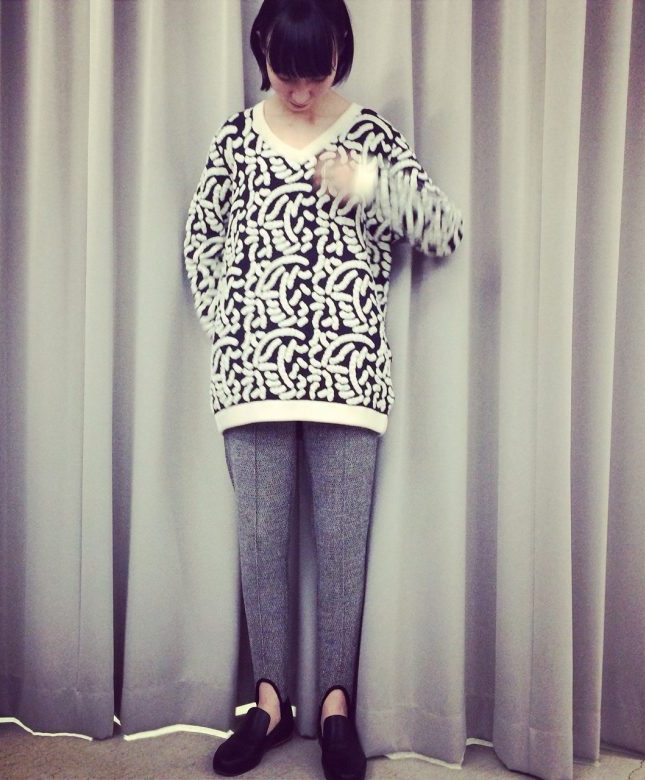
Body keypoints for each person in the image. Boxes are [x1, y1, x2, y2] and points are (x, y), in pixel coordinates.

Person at [183, 1, 464, 778]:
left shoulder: (369, 135)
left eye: (318, 73)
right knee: (260, 546)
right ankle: (269, 704)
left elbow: (443, 229)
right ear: (262, 53)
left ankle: (337, 707)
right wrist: (228, 320)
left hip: (349, 376)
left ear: (341, 51)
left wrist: (366, 184)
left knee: (343, 550)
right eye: (285, 73)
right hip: (253, 376)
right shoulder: (236, 139)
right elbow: (202, 237)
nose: (302, 92)